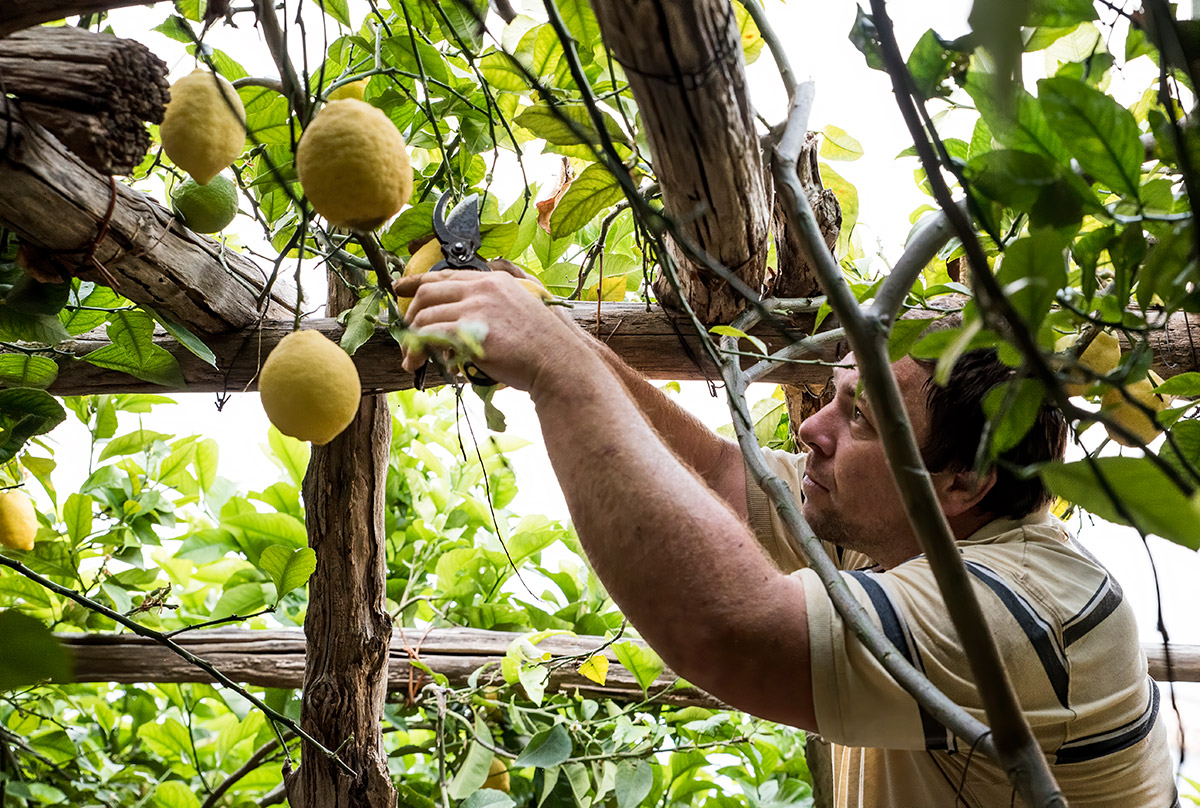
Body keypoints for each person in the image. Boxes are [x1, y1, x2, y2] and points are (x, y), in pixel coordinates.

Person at [392, 268, 1177, 806]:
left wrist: (559, 365)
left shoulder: (1034, 613)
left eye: (859, 418)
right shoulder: (899, 532)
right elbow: (720, 477)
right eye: (833, 396)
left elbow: (729, 630)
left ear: (964, 481)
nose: (810, 428)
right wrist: (550, 329)